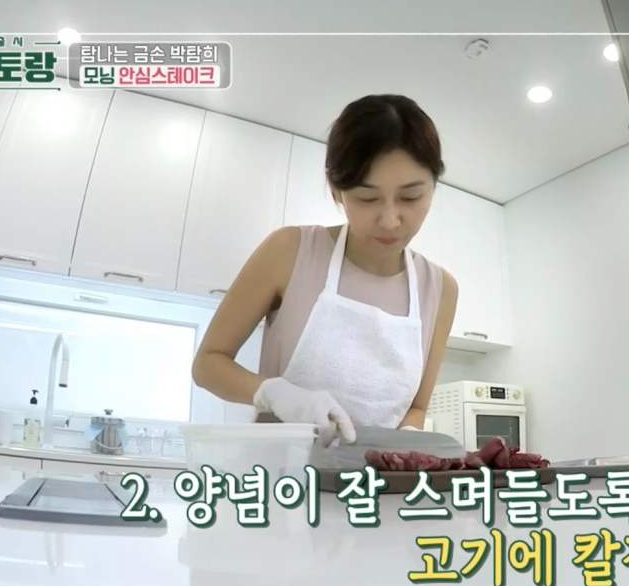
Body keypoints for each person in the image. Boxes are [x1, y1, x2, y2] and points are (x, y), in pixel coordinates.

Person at [191, 93, 458, 447]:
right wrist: (274, 393)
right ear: (336, 189)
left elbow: (417, 406)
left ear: (433, 186)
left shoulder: (440, 289)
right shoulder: (290, 251)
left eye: (411, 197)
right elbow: (208, 365)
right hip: (281, 473)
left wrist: (407, 442)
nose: (390, 220)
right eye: (367, 198)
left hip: (376, 479)